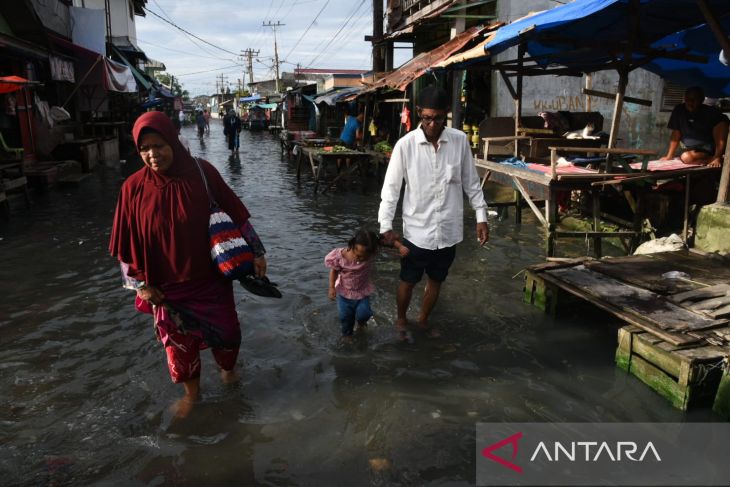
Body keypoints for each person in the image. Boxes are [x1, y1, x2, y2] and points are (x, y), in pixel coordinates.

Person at [109, 111, 268, 417]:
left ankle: (227, 372)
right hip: (164, 290)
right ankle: (192, 395)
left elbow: (236, 214)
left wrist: (258, 252)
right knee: (179, 348)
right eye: (145, 149)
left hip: (210, 281)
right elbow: (124, 246)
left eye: (159, 145)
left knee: (228, 335)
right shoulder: (133, 188)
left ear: (173, 141)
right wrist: (140, 286)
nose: (153, 155)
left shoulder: (203, 172)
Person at [378, 85, 489, 341]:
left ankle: (424, 320)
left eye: (437, 118)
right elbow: (391, 190)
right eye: (426, 118)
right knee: (408, 279)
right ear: (419, 114)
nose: (431, 124)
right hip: (417, 231)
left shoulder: (459, 141)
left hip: (448, 230)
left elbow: (471, 183)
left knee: (437, 279)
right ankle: (402, 319)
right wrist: (386, 225)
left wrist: (481, 217)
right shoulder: (405, 145)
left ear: (446, 115)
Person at [324, 229, 379, 343]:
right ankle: (347, 334)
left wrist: (399, 246)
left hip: (362, 291)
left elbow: (385, 240)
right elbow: (333, 271)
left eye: (365, 257)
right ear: (352, 246)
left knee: (365, 314)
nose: (361, 259)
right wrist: (331, 287)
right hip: (345, 292)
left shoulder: (370, 252)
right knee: (345, 317)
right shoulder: (341, 256)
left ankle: (361, 324)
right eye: (358, 256)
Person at [662, 86, 729, 168]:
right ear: (684, 98)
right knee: (686, 156)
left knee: (686, 157)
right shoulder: (679, 110)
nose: (690, 102)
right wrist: (669, 156)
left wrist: (717, 156)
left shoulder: (711, 112)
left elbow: (722, 129)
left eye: (694, 99)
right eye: (688, 99)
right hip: (690, 149)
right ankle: (711, 159)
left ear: (701, 100)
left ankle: (716, 158)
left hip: (707, 149)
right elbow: (676, 134)